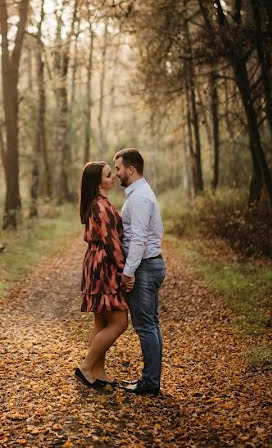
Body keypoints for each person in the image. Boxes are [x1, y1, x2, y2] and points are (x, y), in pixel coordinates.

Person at [114, 148, 165, 396]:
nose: (116, 174)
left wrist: (128, 271)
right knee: (150, 325)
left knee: (146, 326)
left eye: (118, 168)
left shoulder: (140, 197)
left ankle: (150, 383)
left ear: (130, 169)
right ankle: (151, 380)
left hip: (144, 267)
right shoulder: (137, 194)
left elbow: (139, 238)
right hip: (146, 265)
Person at [74, 161, 129, 389]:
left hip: (96, 263)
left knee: (102, 319)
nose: (113, 177)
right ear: (99, 182)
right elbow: (112, 242)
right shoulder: (101, 206)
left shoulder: (98, 203)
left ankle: (98, 372)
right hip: (104, 265)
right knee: (119, 321)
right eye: (109, 175)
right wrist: (124, 269)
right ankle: (87, 367)